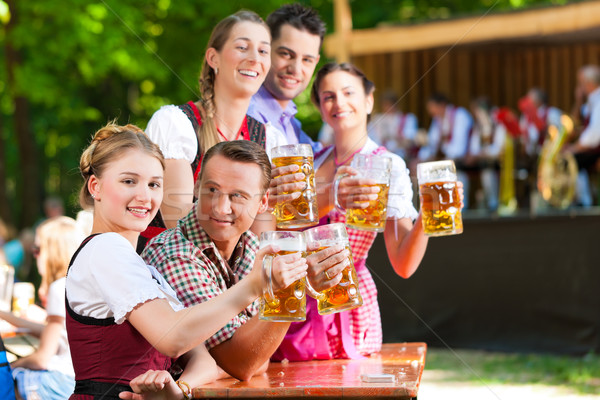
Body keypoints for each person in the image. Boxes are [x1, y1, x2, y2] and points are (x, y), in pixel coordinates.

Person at [66, 123, 305, 399]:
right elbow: (173, 338)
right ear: (95, 186)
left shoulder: (140, 267)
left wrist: (178, 390)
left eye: (154, 184)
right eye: (129, 181)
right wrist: (254, 286)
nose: (144, 196)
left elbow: (204, 360)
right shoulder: (104, 249)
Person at [272, 62, 462, 361]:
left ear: (369, 100)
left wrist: (427, 215)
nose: (339, 103)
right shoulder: (308, 160)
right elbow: (278, 230)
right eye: (328, 96)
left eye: (349, 92)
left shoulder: (387, 165)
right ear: (320, 107)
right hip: (295, 305)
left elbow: (403, 264)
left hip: (349, 307)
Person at [142, 139, 345, 380]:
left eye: (237, 196)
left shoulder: (250, 245)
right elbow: (242, 363)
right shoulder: (174, 254)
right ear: (197, 187)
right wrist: (289, 288)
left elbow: (259, 357)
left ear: (262, 203)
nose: (220, 207)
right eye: (212, 190)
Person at [142, 10, 284, 244]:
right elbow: (180, 225)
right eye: (242, 47)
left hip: (233, 275)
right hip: (170, 270)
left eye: (263, 51)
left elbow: (260, 241)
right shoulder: (176, 124)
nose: (255, 58)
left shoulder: (268, 139)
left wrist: (270, 204)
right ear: (213, 58)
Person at [4, 217, 84, 400]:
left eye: (37, 250)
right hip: (80, 379)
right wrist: (8, 317)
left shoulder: (59, 287)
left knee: (5, 378)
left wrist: (12, 365)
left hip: (61, 381)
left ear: (52, 253)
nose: (34, 256)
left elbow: (42, 359)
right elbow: (62, 335)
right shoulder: (80, 283)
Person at [247, 3, 325, 153]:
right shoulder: (249, 115)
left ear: (315, 62)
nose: (295, 69)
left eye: (307, 60)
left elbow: (322, 158)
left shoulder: (290, 121)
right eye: (286, 54)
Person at [418, 92, 472, 208]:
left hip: (465, 157)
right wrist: (424, 155)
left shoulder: (460, 115)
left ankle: (460, 206)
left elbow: (459, 148)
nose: (431, 112)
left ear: (442, 105)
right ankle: (438, 205)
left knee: (451, 167)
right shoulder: (438, 120)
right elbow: (432, 143)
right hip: (448, 157)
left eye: (433, 108)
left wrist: (441, 155)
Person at [566, 65, 600, 207]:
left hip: (596, 148)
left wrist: (575, 148)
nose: (579, 87)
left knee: (571, 160)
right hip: (592, 146)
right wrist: (578, 101)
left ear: (589, 83)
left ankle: (584, 201)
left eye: (581, 83)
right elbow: (574, 123)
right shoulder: (591, 101)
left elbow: (595, 134)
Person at [467, 96, 506, 211]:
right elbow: (474, 147)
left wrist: (482, 153)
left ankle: (494, 203)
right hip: (482, 160)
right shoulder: (478, 127)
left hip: (499, 161)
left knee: (487, 168)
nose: (477, 115)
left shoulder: (499, 124)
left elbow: (498, 149)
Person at [368, 89, 419, 162]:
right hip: (380, 157)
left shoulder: (408, 119)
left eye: (390, 104)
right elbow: (371, 140)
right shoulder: (377, 119)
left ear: (396, 104)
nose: (388, 107)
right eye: (385, 104)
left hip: (402, 156)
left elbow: (410, 141)